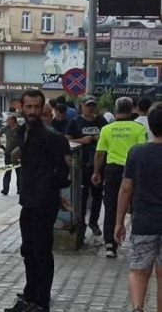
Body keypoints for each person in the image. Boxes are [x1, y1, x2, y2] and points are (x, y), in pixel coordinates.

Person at [4, 89, 72, 312]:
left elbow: (63, 172)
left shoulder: (51, 137)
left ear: (43, 108)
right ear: (21, 108)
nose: (32, 111)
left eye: (36, 107)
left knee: (41, 251)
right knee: (28, 250)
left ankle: (41, 302)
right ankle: (29, 296)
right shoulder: (24, 132)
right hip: (28, 201)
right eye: (28, 107)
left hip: (44, 201)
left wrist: (52, 192)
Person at [115, 105, 162, 312]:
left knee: (139, 269)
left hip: (143, 221)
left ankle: (137, 308)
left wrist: (118, 222)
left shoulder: (137, 152)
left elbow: (126, 188)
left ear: (150, 126)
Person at [93, 97, 146, 258]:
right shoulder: (139, 128)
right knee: (136, 206)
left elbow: (99, 153)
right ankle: (137, 240)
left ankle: (110, 244)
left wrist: (96, 172)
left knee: (111, 206)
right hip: (132, 170)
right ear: (132, 109)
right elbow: (141, 151)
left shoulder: (107, 129)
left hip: (113, 170)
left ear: (116, 109)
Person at [65, 95, 107, 238]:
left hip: (98, 163)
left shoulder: (101, 121)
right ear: (81, 106)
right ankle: (81, 223)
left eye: (92, 105)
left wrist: (100, 138)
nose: (90, 108)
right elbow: (67, 140)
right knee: (82, 196)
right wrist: (82, 140)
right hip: (81, 164)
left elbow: (108, 136)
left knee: (97, 195)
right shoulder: (75, 122)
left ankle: (93, 222)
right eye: (88, 105)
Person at [0, 113, 23, 196]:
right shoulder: (7, 128)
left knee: (19, 172)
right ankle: (5, 189)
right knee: (7, 171)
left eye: (8, 120)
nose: (7, 122)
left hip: (17, 155)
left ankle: (19, 188)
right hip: (8, 153)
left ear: (13, 120)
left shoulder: (20, 129)